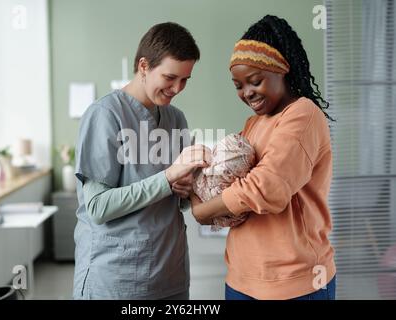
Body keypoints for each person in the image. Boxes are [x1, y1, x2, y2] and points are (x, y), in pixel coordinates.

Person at [190, 15, 336, 300]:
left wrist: (201, 212)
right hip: (241, 278)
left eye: (255, 81)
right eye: (238, 85)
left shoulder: (303, 115)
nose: (247, 93)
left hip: (294, 283)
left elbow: (266, 188)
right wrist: (196, 182)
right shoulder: (253, 124)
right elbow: (231, 186)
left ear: (282, 70)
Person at [73, 22, 209, 300]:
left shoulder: (176, 119)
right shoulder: (105, 115)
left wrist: (187, 188)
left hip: (170, 275)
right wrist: (169, 178)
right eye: (170, 77)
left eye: (185, 80)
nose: (177, 88)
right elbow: (98, 207)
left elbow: (175, 199)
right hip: (117, 280)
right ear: (144, 66)